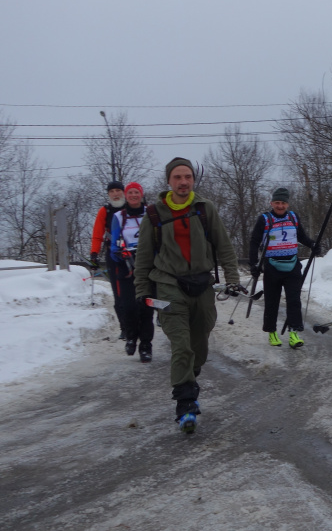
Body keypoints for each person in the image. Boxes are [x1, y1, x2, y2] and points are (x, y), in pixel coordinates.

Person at [133, 157, 243, 433]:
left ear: (193, 180)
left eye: (188, 177)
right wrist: (142, 292)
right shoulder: (154, 215)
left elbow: (225, 246)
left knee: (199, 346)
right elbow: (143, 258)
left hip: (202, 285)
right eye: (177, 177)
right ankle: (185, 404)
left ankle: (188, 380)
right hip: (169, 285)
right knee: (181, 345)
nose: (183, 182)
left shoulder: (206, 209)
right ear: (168, 181)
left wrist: (232, 279)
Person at [248, 187, 318, 349]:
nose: (280, 206)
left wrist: (313, 244)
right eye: (277, 203)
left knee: (294, 300)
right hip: (272, 266)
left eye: (283, 203)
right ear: (272, 203)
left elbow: (301, 236)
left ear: (288, 204)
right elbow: (254, 242)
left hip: (292, 264)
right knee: (272, 301)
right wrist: (253, 264)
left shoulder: (293, 217)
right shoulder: (264, 219)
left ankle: (294, 332)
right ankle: (272, 332)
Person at [109, 182, 155, 362]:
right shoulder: (118, 216)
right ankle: (131, 337)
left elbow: (158, 239)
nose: (134, 195)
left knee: (146, 307)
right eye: (130, 193)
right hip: (126, 266)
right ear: (125, 196)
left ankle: (146, 346)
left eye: (137, 192)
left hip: (147, 266)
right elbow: (113, 244)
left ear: (141, 195)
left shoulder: (150, 214)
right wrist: (120, 254)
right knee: (128, 307)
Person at [89, 180, 126, 334]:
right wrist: (94, 255)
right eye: (112, 192)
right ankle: (124, 327)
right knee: (118, 293)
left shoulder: (132, 207)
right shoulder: (105, 211)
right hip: (113, 254)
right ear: (108, 194)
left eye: (118, 190)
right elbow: (97, 234)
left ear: (123, 192)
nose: (115, 194)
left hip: (135, 254)